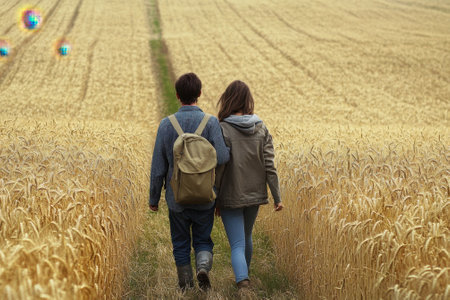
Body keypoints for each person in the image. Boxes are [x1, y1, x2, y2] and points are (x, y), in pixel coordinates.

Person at [149, 73, 230, 291]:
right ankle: (203, 267)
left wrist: (153, 198)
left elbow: (158, 167)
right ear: (200, 94)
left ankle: (185, 284)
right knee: (203, 239)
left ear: (177, 96)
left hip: (177, 198)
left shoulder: (166, 125)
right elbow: (222, 158)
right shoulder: (211, 123)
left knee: (180, 241)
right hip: (204, 195)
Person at [215, 80, 283, 291]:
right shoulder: (261, 128)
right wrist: (277, 197)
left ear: (227, 100)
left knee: (237, 243)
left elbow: (219, 167)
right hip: (254, 193)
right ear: (248, 101)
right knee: (246, 236)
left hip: (230, 194)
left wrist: (213, 196)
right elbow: (270, 166)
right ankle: (245, 276)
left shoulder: (222, 128)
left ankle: (243, 284)